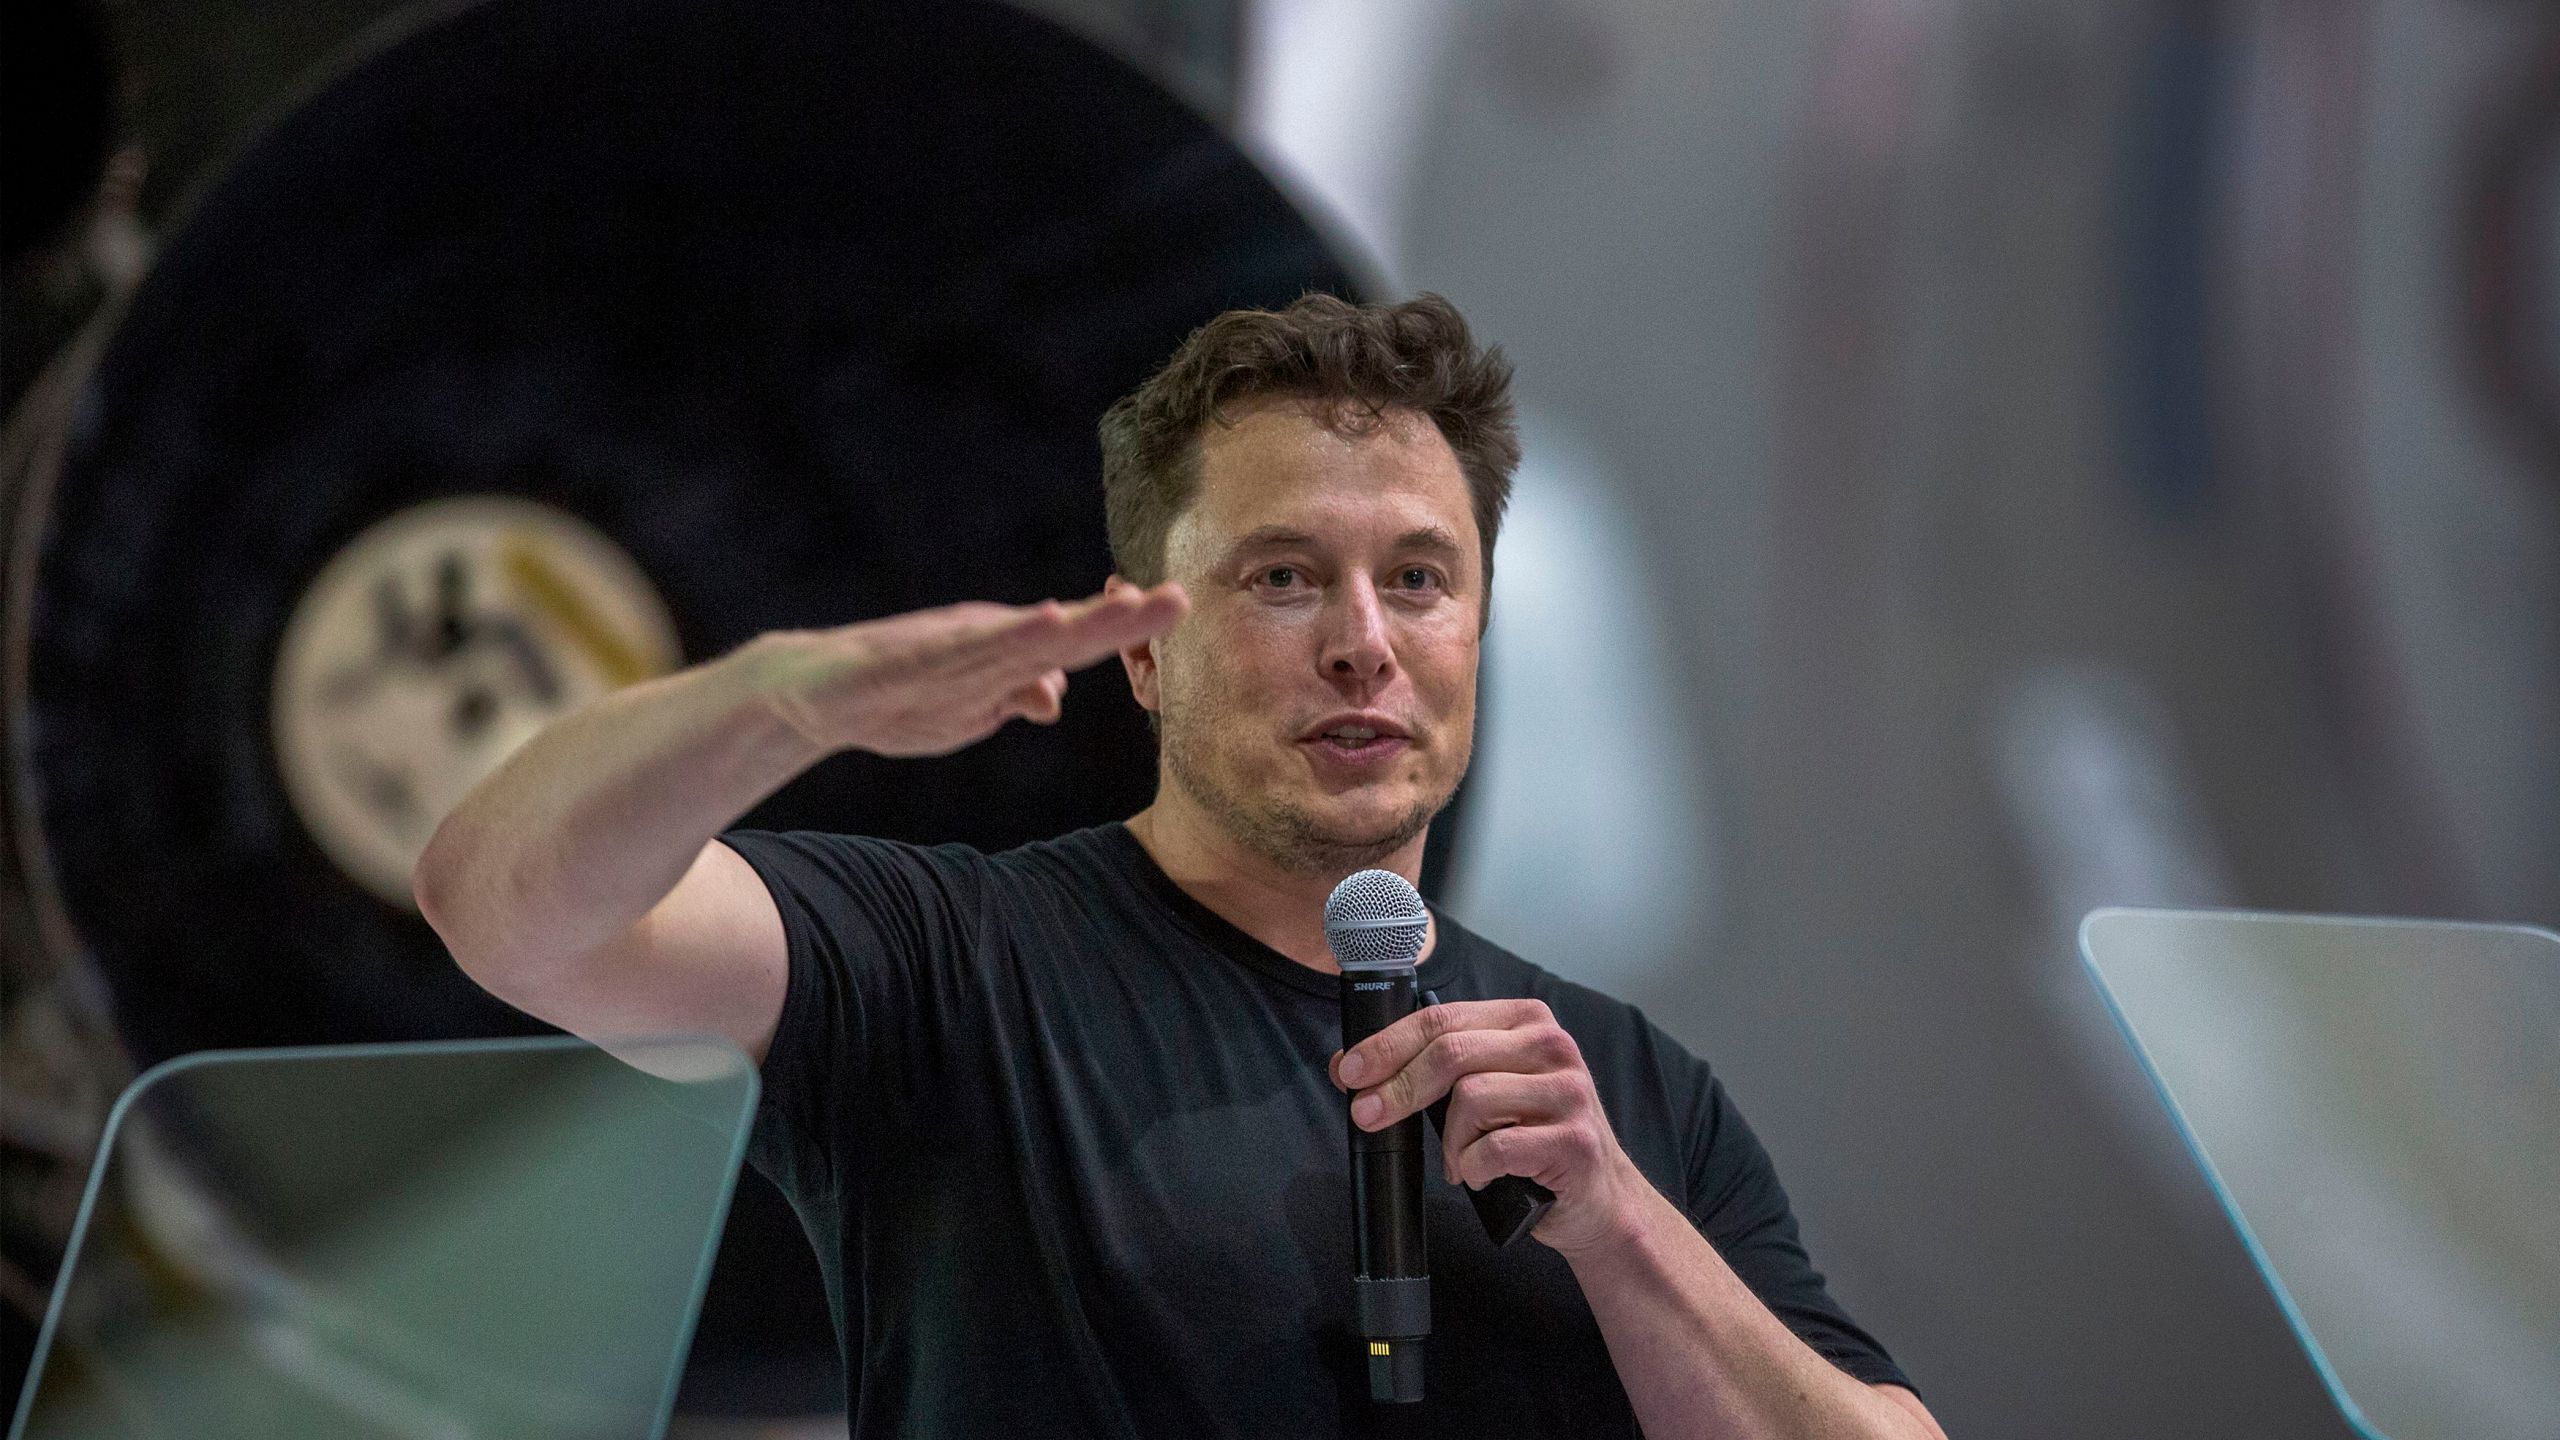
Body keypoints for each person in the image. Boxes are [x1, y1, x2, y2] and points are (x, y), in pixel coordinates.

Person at [415, 293, 1945, 1439]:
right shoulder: (954, 963)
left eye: (1420, 578)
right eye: (1283, 577)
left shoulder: (1616, 1087)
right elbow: (509, 909)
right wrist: (780, 700)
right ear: (1147, 652)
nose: (1364, 641)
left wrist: (1619, 1229)